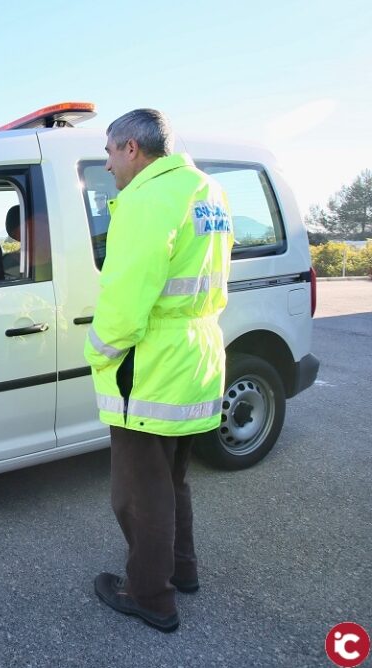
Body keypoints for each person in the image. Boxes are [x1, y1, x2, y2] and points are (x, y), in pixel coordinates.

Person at [85, 109, 234, 632]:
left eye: (108, 152)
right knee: (172, 481)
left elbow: (127, 296)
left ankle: (151, 595)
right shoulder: (206, 190)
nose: (106, 165)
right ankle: (182, 571)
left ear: (131, 148)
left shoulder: (147, 199)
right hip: (196, 355)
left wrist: (97, 350)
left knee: (136, 494)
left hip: (150, 365)